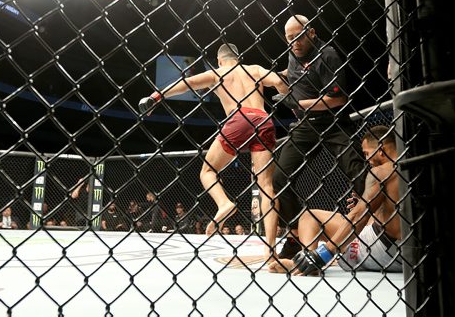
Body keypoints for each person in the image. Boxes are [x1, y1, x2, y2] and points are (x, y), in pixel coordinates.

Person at [139, 43, 289, 259]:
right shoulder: (254, 69)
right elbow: (278, 81)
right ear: (238, 57)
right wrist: (285, 93)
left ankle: (224, 203)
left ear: (220, 60)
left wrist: (156, 95)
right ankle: (270, 248)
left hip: (239, 119)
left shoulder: (218, 72)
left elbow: (187, 83)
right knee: (266, 186)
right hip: (263, 120)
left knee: (207, 171)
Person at [272, 14, 366, 260]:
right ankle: (295, 235)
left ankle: (371, 230)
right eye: (290, 39)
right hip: (306, 126)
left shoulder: (328, 55)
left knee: (359, 172)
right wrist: (276, 78)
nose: (295, 43)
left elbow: (338, 99)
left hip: (334, 122)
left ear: (311, 32)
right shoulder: (293, 54)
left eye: (299, 36)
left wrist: (298, 102)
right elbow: (295, 73)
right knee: (280, 177)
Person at [269, 125, 402, 274]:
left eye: (367, 153)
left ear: (381, 149)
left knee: (309, 216)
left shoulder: (381, 172)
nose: (366, 160)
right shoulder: (414, 165)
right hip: (410, 255)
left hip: (382, 250)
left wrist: (325, 254)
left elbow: (359, 216)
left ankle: (307, 261)